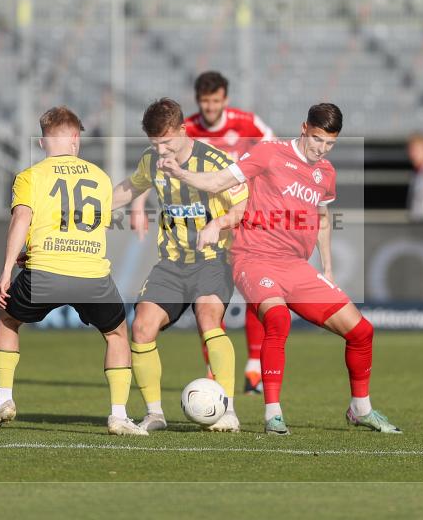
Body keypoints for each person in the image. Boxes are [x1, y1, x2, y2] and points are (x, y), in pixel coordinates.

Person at [158, 103, 402, 436]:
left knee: (362, 332)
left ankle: (361, 409)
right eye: (317, 139)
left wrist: (327, 267)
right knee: (278, 318)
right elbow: (218, 182)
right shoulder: (269, 153)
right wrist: (182, 174)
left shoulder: (326, 172)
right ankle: (273, 414)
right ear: (304, 128)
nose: (322, 149)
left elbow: (322, 218)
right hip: (253, 256)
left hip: (296, 266)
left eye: (330, 143)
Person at [0, 106, 147, 436]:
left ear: (42, 142)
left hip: (45, 273)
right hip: (92, 275)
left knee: (7, 319)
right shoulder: (98, 177)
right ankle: (118, 415)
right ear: (74, 138)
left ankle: (4, 400)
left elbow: (22, 220)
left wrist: (8, 266)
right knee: (116, 335)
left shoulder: (30, 177)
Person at [131, 71, 275, 394]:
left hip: (241, 213)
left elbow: (272, 155)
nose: (209, 107)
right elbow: (146, 175)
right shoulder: (183, 129)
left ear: (225, 99)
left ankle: (254, 363)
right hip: (198, 227)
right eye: (204, 101)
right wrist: (138, 204)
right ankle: (214, 375)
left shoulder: (247, 123)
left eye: (215, 100)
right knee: (205, 313)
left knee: (256, 292)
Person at [112, 98, 248, 432]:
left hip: (212, 259)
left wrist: (217, 225)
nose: (161, 151)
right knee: (142, 326)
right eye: (155, 144)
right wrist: (92, 206)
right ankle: (155, 413)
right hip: (171, 263)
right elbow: (130, 188)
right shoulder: (151, 161)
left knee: (208, 317)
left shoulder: (214, 160)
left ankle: (227, 410)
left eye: (167, 143)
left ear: (183, 131)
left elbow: (243, 206)